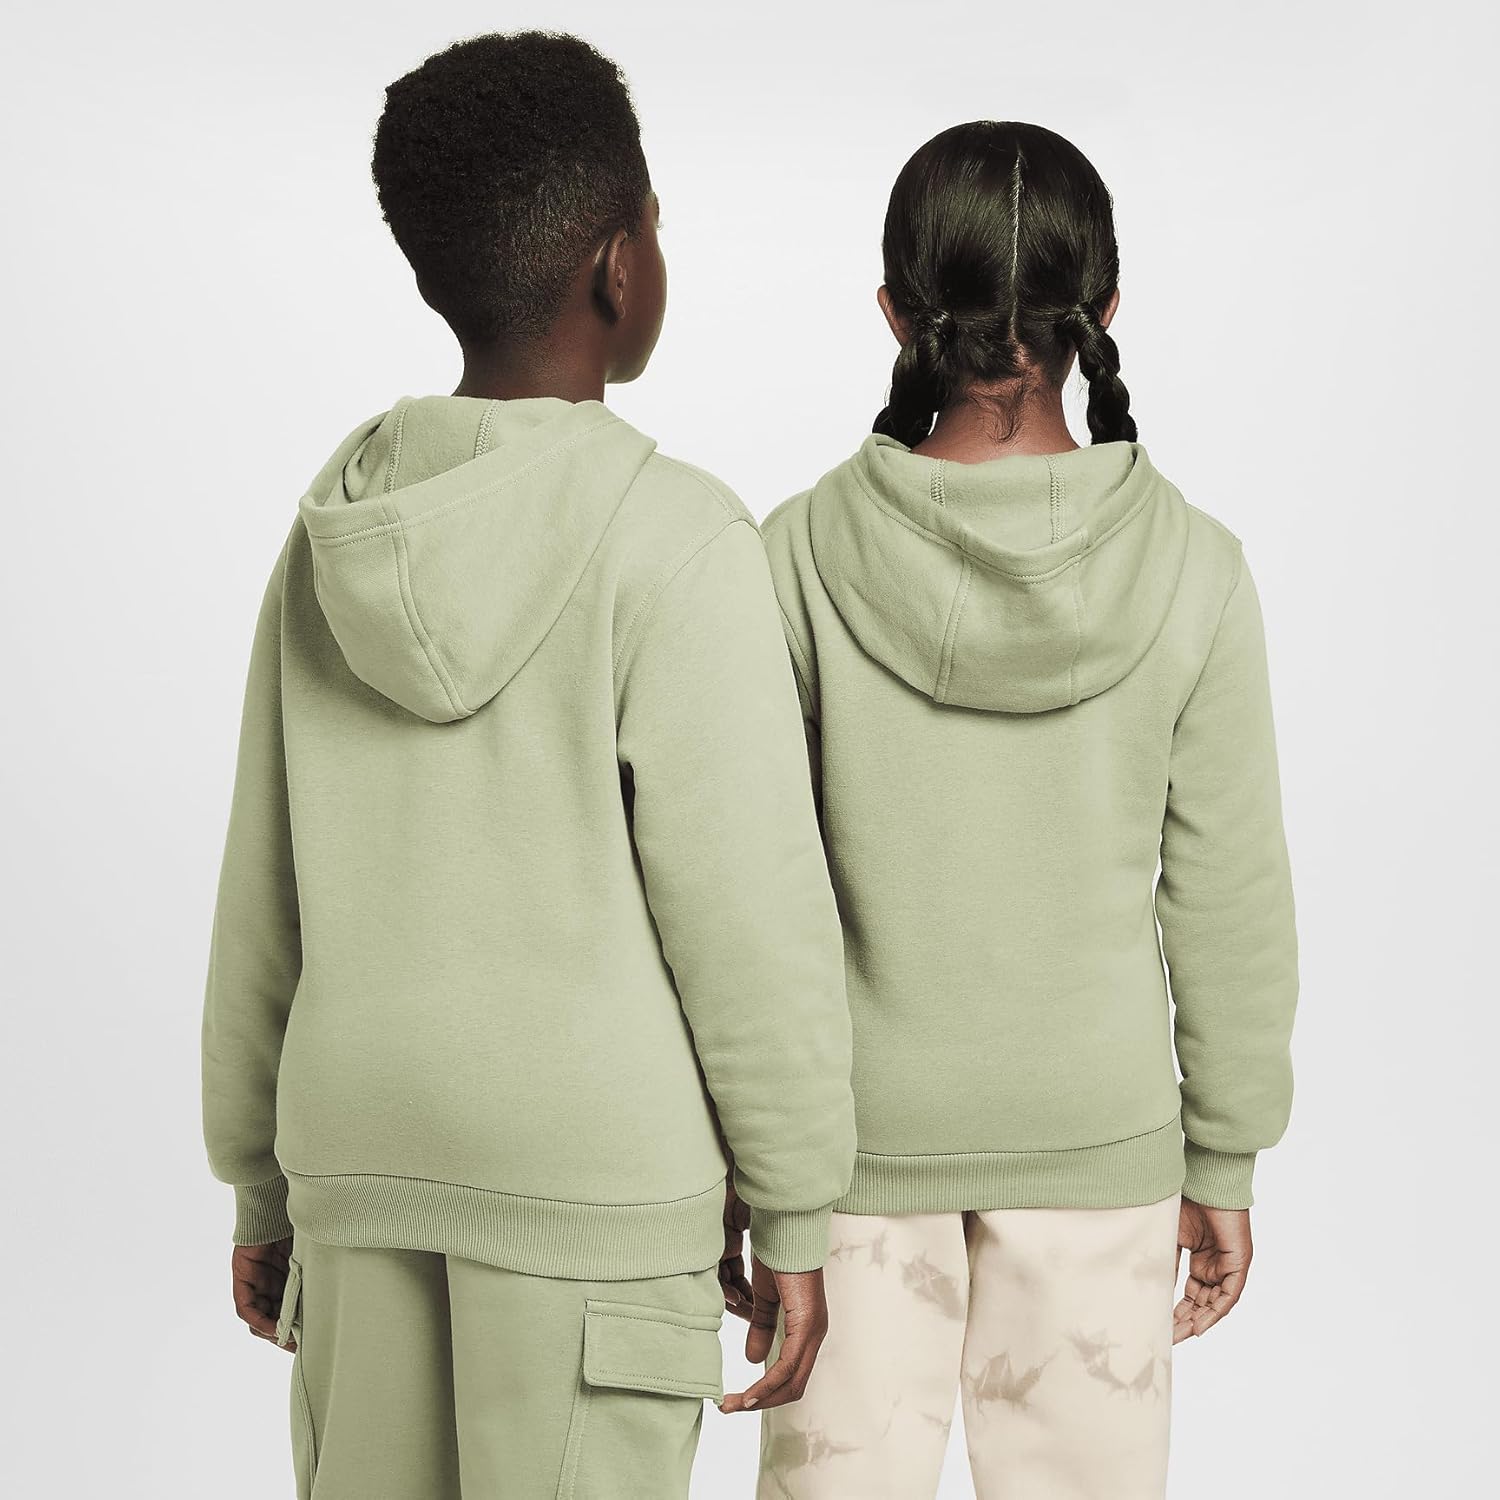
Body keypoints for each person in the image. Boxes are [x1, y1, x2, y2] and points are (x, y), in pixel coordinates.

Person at [201, 32, 853, 1500]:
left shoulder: (331, 537)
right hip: (598, 1199)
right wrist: (798, 1209)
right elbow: (749, 917)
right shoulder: (676, 537)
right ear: (620, 268)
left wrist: (257, 1174)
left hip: (359, 1167)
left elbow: (264, 886)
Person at [756, 120, 1298, 1500]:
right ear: (1103, 312)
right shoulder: (1196, 569)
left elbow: (749, 890)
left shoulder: (796, 557)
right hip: (1100, 1144)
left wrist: (754, 1166)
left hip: (847, 1154)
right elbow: (1229, 895)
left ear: (896, 314)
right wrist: (1225, 1152)